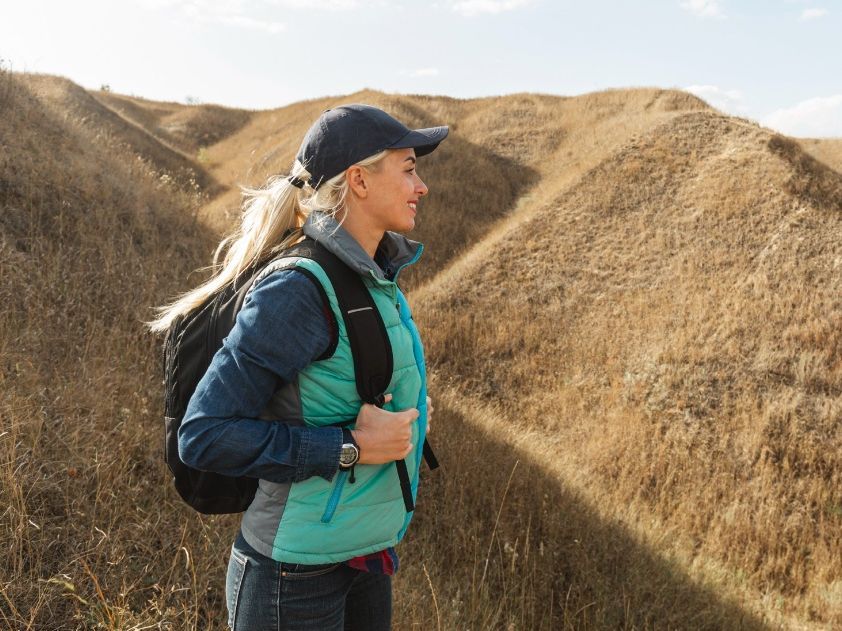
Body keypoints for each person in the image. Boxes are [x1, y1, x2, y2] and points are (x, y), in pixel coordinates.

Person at [147, 103, 448, 630]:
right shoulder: (299, 290)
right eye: (408, 168)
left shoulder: (375, 275)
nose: (420, 186)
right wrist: (349, 447)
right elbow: (204, 434)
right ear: (358, 179)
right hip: (292, 578)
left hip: (363, 558)